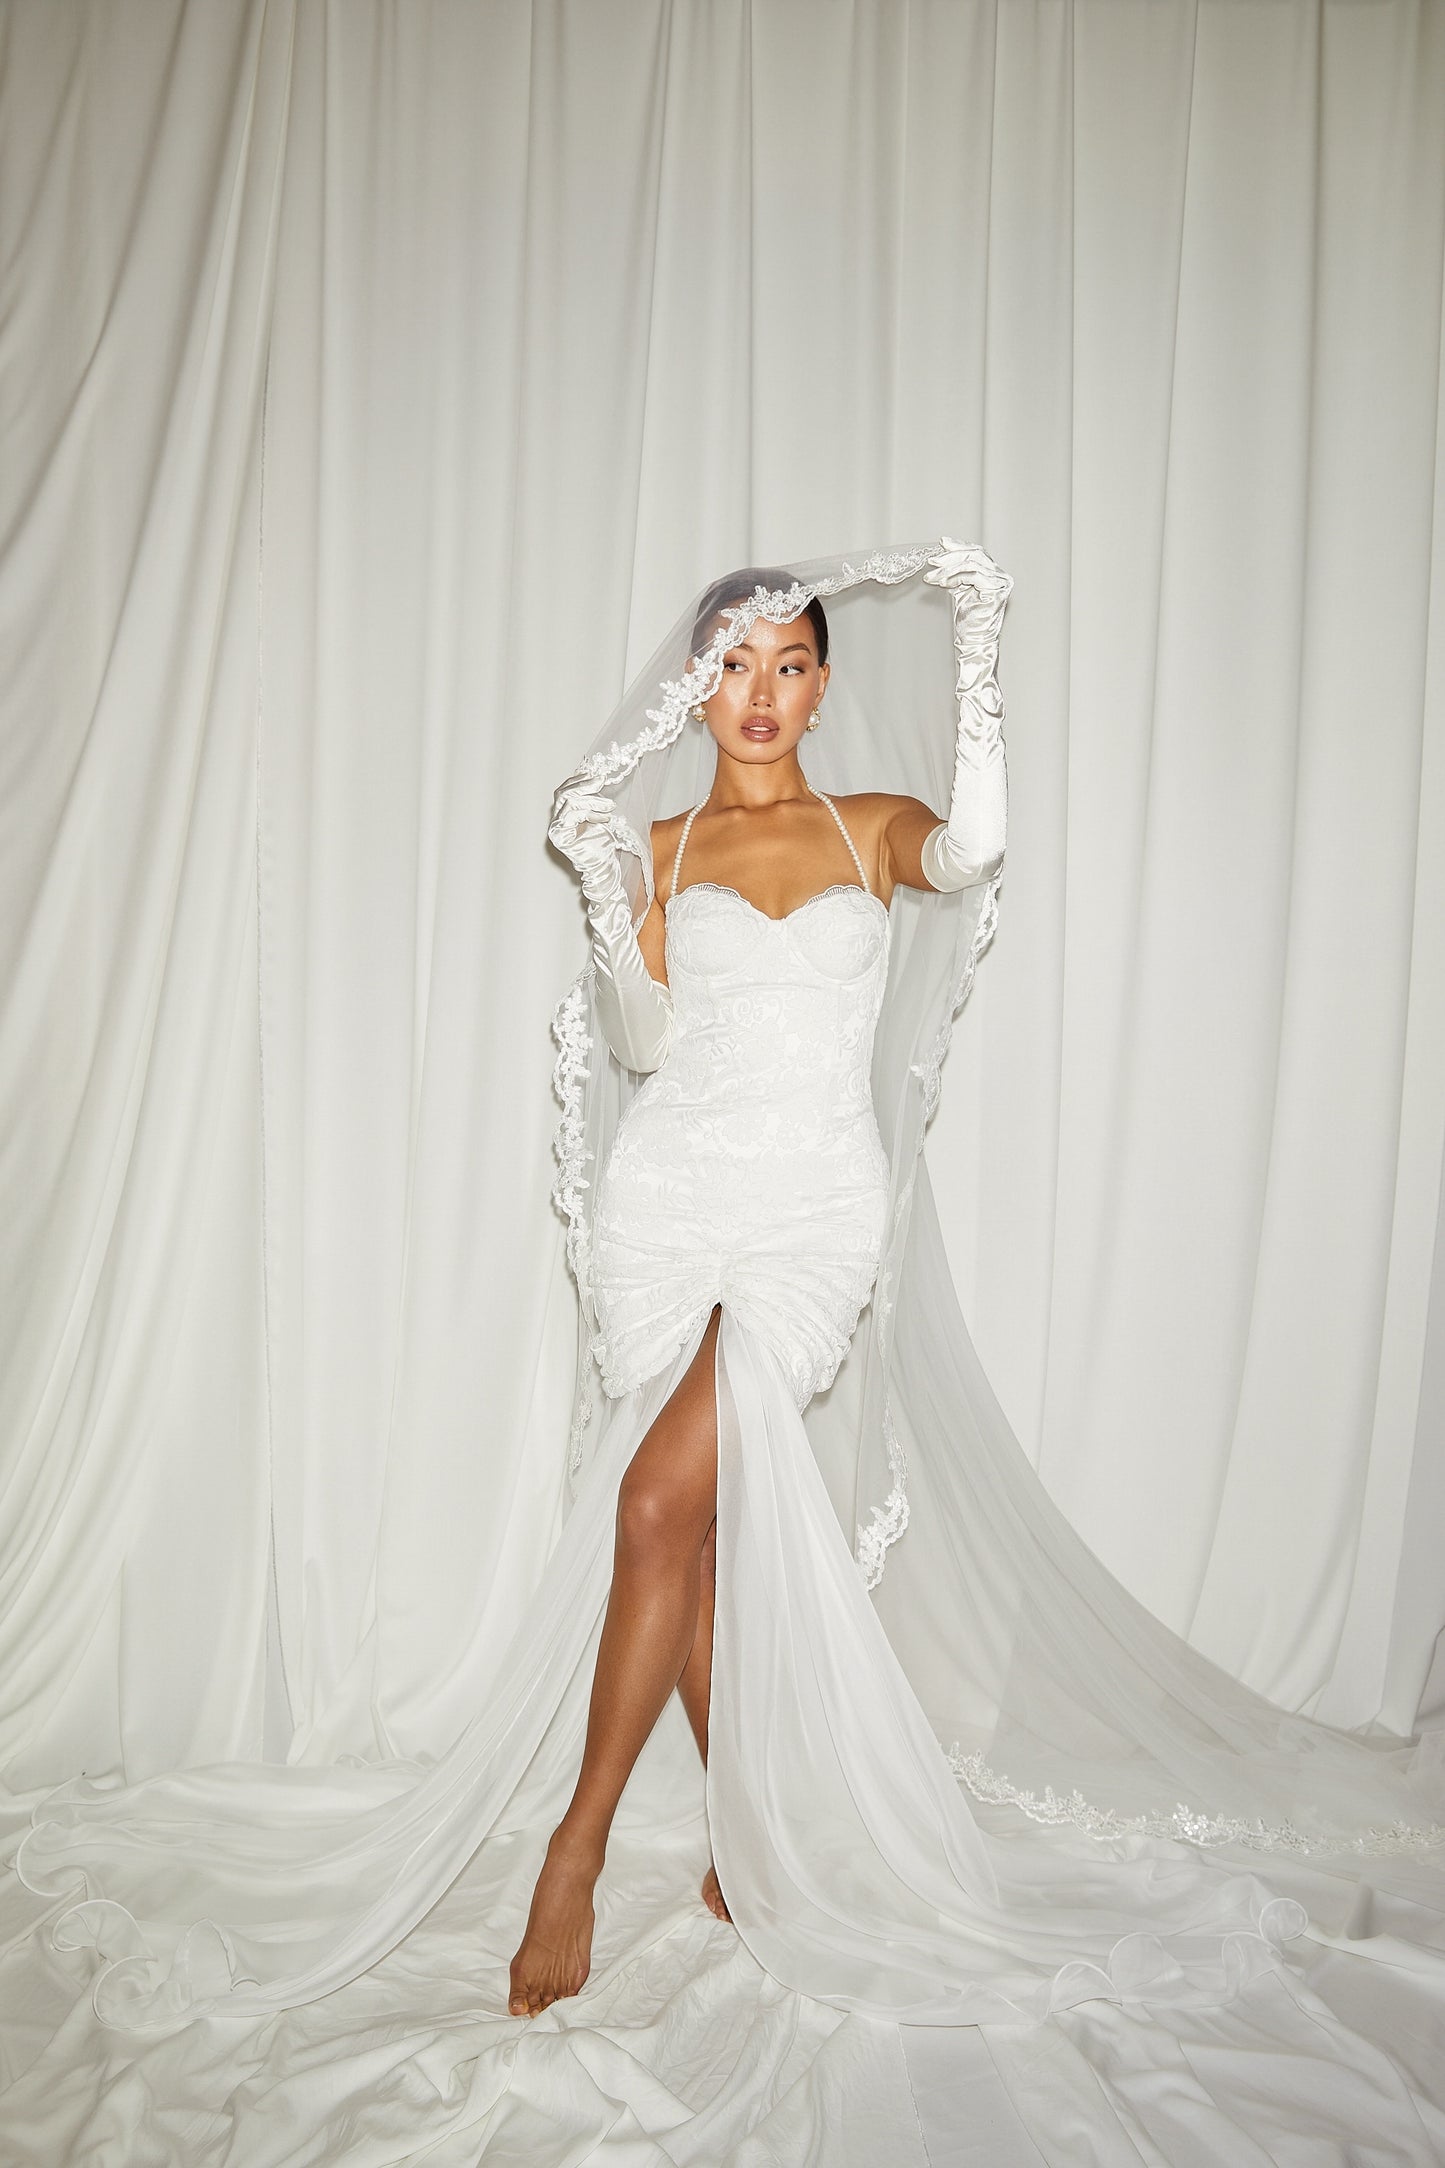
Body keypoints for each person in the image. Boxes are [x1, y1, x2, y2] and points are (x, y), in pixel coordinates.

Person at [511, 548, 1005, 2015]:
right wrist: (608, 901)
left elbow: (971, 854)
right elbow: (644, 1045)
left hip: (809, 1209)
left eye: (790, 665)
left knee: (653, 1501)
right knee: (693, 1528)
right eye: (735, 666)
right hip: (671, 1200)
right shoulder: (660, 849)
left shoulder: (871, 828)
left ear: (824, 686)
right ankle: (739, 1830)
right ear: (695, 687)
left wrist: (980, 653)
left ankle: (576, 1847)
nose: (762, 694)